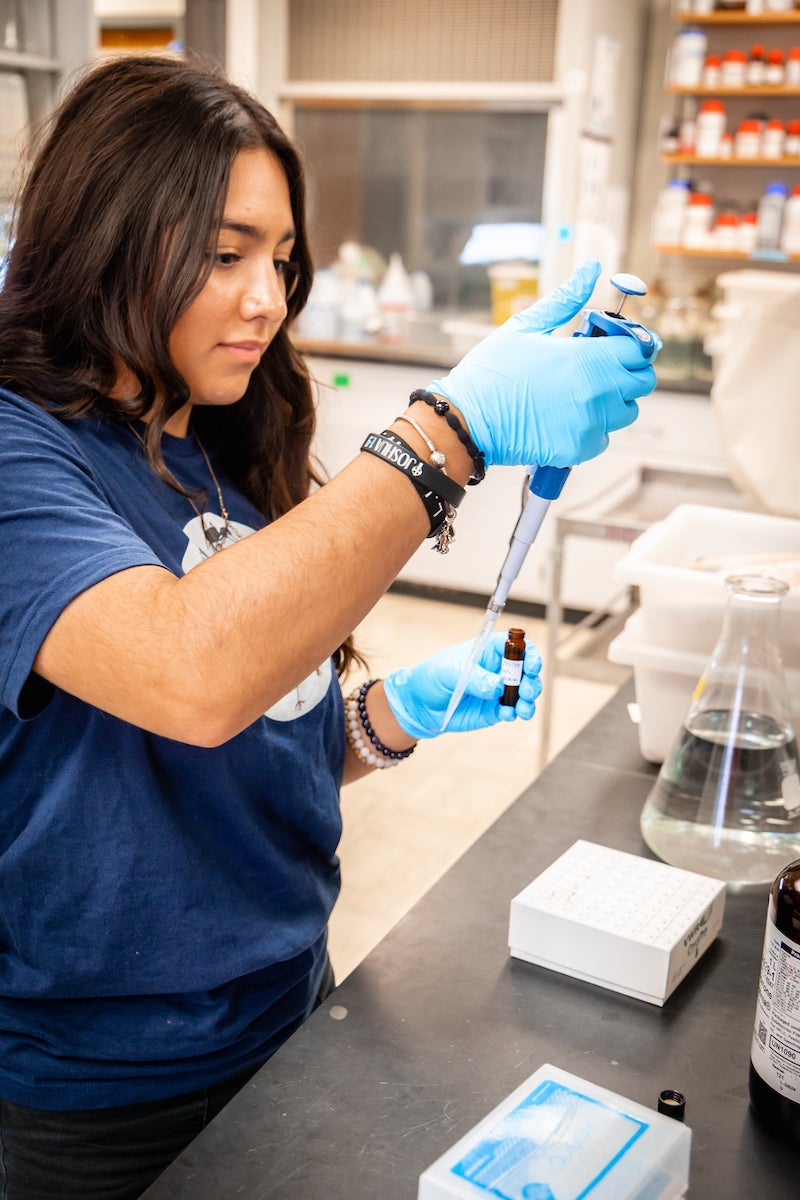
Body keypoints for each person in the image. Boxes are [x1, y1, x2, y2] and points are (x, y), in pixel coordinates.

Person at [0, 53, 656, 1199]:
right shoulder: (21, 455)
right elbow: (190, 672)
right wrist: (446, 428)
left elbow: (227, 740)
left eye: (281, 259)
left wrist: (380, 718)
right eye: (222, 254)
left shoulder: (215, 442)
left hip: (292, 1005)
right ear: (103, 234)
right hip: (94, 1096)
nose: (267, 298)